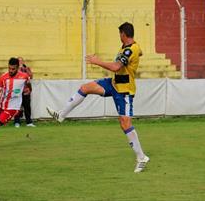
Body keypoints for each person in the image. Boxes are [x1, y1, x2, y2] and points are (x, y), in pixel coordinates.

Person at [46, 22, 150, 173]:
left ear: (123, 34)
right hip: (114, 84)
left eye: (120, 34)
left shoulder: (129, 50)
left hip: (124, 91)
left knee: (125, 123)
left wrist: (97, 61)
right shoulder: (133, 47)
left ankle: (141, 157)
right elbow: (140, 52)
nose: (119, 37)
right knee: (85, 88)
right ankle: (61, 115)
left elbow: (116, 67)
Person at [13, 57, 36, 128]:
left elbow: (31, 76)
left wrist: (26, 69)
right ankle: (17, 122)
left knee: (27, 106)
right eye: (18, 61)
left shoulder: (26, 68)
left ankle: (29, 122)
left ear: (23, 62)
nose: (20, 62)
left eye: (21, 61)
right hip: (17, 91)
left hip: (26, 91)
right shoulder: (14, 69)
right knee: (17, 107)